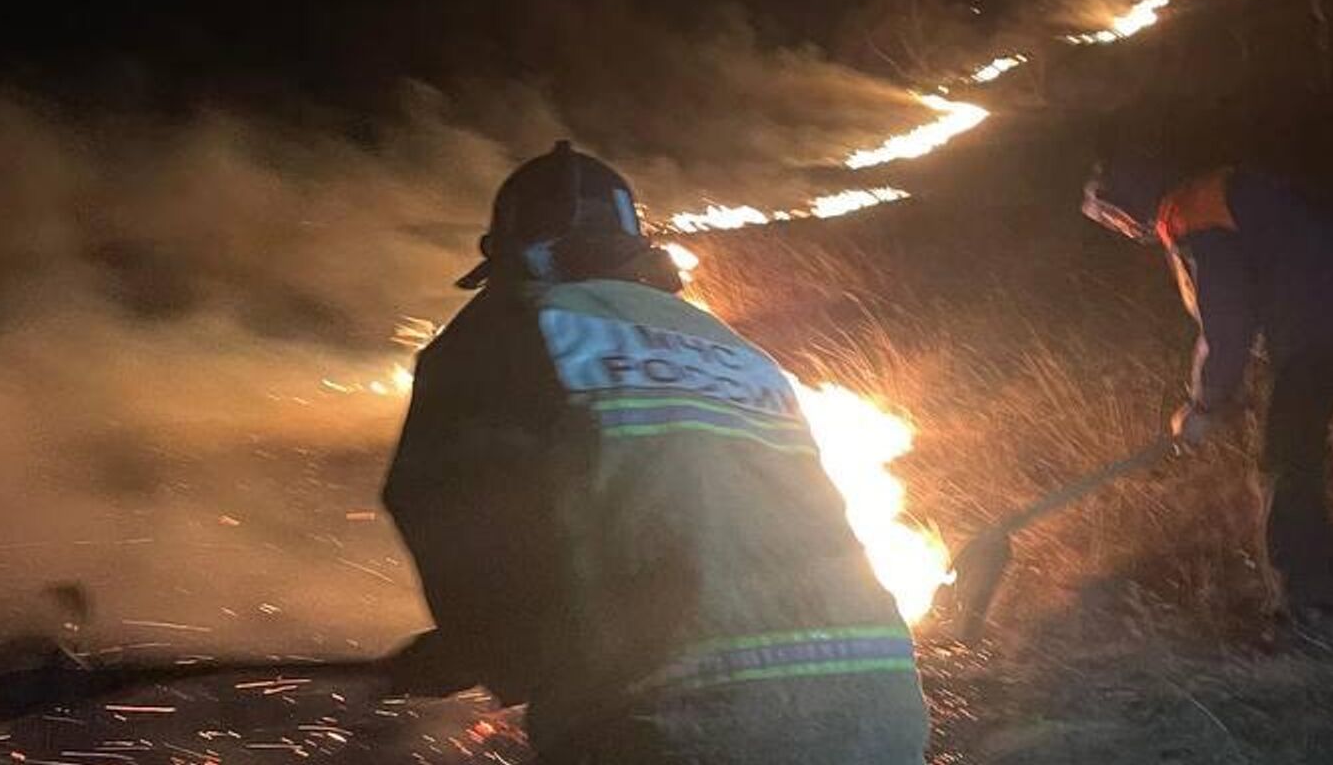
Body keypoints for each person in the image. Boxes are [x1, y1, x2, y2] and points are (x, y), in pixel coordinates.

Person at [381, 141, 929, 764]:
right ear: (637, 254)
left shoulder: (509, 328)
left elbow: (457, 514)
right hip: (878, 715)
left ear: (513, 257)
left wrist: (474, 650)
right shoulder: (734, 350)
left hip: (678, 726)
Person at [1082, 140, 1333, 653]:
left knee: (1286, 462)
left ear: (1128, 202)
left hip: (1321, 327)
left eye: (1113, 218)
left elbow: (1228, 321)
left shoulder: (1190, 215)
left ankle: (1308, 614)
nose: (1120, 230)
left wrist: (1205, 404)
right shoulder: (1221, 190)